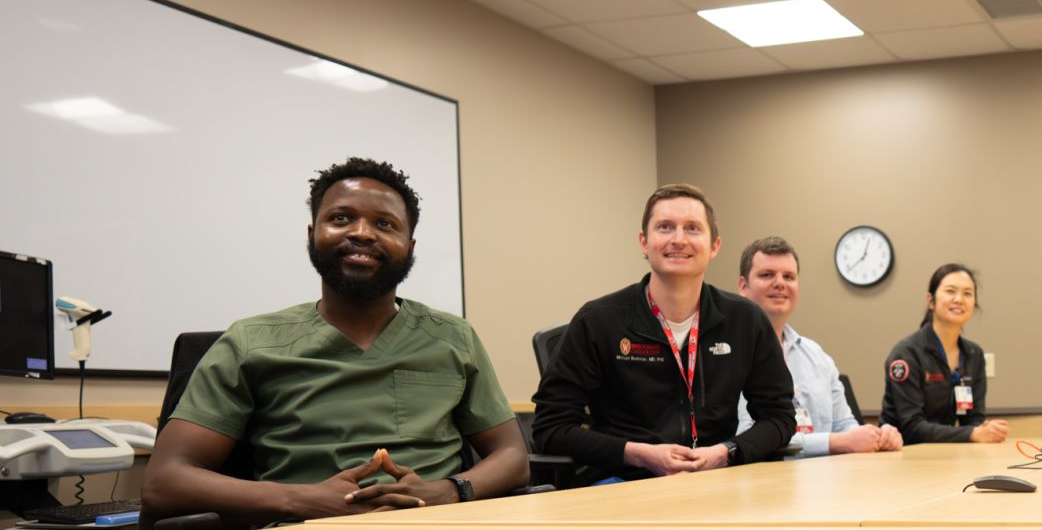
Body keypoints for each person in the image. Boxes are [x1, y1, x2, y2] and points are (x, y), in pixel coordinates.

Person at [142, 158, 527, 525]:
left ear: (409, 246)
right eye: (341, 218)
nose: (361, 232)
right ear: (313, 235)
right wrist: (301, 500)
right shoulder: (248, 342)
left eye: (385, 223)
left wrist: (449, 491)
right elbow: (165, 482)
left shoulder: (453, 337)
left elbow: (512, 455)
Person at [531, 183, 795, 486]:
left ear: (715, 246)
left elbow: (779, 417)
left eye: (693, 228)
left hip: (716, 480)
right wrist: (639, 454)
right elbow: (549, 428)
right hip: (624, 481)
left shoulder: (746, 320)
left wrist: (726, 452)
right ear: (644, 242)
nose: (678, 239)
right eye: (665, 227)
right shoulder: (598, 321)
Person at [733, 237, 902, 457]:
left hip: (825, 482)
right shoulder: (730, 354)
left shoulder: (816, 355)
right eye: (767, 275)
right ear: (743, 286)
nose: (780, 283)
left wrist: (878, 436)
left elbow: (845, 426)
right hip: (762, 483)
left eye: (789, 277)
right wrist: (835, 442)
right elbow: (748, 437)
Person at [881, 263, 1008, 444]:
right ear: (930, 300)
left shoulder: (974, 354)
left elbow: (973, 421)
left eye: (967, 293)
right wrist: (973, 434)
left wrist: (985, 430)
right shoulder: (906, 353)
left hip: (946, 452)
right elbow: (911, 427)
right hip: (901, 454)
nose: (959, 299)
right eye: (950, 291)